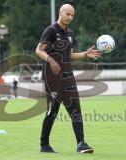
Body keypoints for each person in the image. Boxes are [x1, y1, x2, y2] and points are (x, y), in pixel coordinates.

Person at [35, 4, 101, 153]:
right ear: (60, 13)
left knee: (75, 110)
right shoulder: (51, 30)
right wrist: (51, 61)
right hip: (53, 79)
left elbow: (70, 55)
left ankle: (81, 144)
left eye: (72, 15)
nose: (70, 17)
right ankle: (44, 145)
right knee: (53, 112)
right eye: (68, 14)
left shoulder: (70, 33)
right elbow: (39, 50)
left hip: (68, 77)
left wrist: (85, 54)